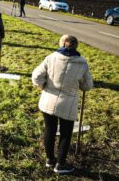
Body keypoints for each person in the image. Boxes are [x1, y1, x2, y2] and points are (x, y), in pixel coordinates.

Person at [31, 35, 93, 174]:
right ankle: (60, 165)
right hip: (68, 103)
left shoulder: (51, 57)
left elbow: (36, 76)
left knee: (49, 129)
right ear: (76, 45)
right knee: (66, 134)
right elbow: (87, 86)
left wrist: (42, 87)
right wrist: (81, 84)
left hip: (48, 100)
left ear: (61, 44)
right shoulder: (82, 63)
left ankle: (50, 160)